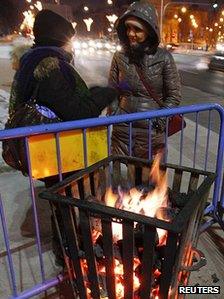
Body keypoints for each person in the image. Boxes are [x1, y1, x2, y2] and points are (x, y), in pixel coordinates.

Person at [6, 9, 117, 267]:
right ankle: (71, 254)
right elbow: (76, 111)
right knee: (68, 202)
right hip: (58, 150)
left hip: (48, 147)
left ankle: (71, 248)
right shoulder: (51, 67)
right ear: (61, 39)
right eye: (70, 38)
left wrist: (93, 93)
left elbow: (64, 101)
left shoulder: (33, 61)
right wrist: (105, 94)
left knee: (64, 201)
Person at [108, 1, 181, 159]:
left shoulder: (164, 58)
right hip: (122, 130)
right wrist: (115, 114)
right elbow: (112, 89)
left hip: (150, 132)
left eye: (137, 29)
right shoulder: (119, 56)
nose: (131, 33)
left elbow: (174, 95)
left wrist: (158, 121)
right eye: (128, 28)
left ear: (149, 30)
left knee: (150, 180)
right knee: (122, 181)